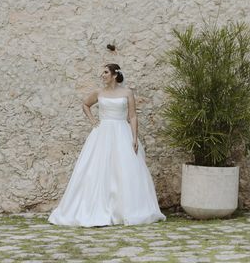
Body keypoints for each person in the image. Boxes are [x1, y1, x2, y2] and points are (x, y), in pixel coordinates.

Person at [49, 64, 165, 226]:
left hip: (122, 133)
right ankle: (95, 207)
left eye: (105, 72)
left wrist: (134, 137)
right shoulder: (99, 92)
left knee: (124, 170)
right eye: (102, 72)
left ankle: (124, 209)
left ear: (114, 75)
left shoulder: (127, 93)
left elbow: (132, 116)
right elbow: (85, 105)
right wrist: (93, 121)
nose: (102, 75)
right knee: (96, 169)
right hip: (102, 133)